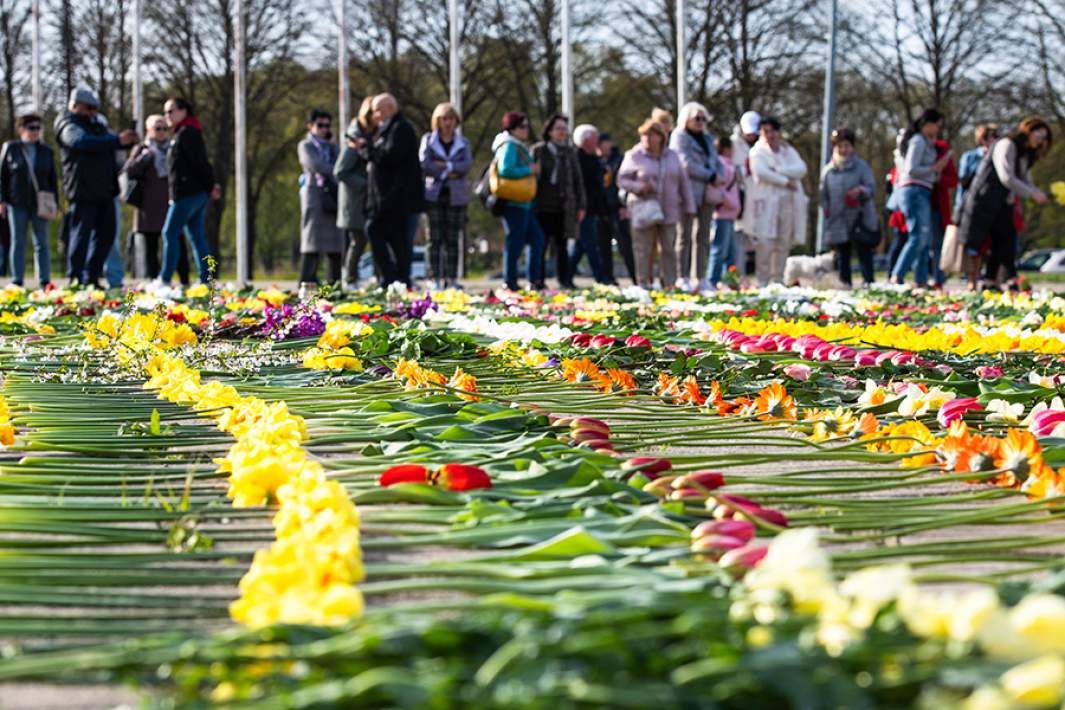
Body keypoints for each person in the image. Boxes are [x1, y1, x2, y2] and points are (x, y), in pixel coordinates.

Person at [54, 87, 138, 287]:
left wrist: (125, 141)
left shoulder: (95, 124)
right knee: (81, 235)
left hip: (105, 190)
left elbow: (108, 143)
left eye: (95, 108)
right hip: (83, 191)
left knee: (105, 236)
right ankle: (75, 276)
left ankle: (92, 276)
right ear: (75, 105)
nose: (93, 112)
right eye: (89, 108)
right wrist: (115, 140)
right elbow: (80, 142)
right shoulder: (68, 124)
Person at [959, 116, 1051, 290]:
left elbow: (1025, 178)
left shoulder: (1024, 154)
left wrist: (1038, 193)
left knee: (1005, 241)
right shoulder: (1006, 144)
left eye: (1044, 138)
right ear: (1028, 131)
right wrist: (1031, 193)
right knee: (980, 243)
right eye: (1039, 136)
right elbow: (1006, 176)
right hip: (984, 200)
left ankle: (992, 281)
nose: (1040, 141)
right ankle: (983, 281)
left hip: (1004, 203)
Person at [617, 118, 694, 289]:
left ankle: (669, 284)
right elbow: (621, 180)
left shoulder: (672, 156)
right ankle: (643, 284)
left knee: (668, 248)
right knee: (642, 249)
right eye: (643, 135)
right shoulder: (634, 155)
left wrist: (689, 206)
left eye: (650, 135)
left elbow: (683, 182)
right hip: (644, 209)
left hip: (669, 209)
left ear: (661, 137)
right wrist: (639, 186)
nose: (646, 139)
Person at [359, 93, 424, 288]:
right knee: (383, 235)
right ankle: (392, 278)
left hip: (397, 199)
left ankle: (398, 279)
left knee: (397, 241)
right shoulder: (385, 130)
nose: (375, 114)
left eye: (378, 110)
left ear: (390, 108)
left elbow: (390, 157)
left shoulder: (401, 129)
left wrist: (366, 149)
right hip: (385, 199)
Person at [156, 97, 220, 287]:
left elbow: (200, 162)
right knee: (196, 235)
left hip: (188, 193)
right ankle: (206, 279)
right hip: (192, 192)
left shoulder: (187, 133)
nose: (167, 115)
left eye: (171, 111)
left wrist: (210, 185)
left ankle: (165, 279)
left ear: (184, 111)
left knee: (169, 233)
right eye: (166, 111)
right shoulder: (183, 132)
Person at [121, 114, 189, 283]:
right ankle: (155, 280)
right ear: (149, 131)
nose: (162, 132)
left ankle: (184, 280)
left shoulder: (174, 147)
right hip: (148, 206)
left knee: (178, 242)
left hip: (170, 202)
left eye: (165, 128)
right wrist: (144, 157)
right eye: (157, 128)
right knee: (151, 247)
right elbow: (129, 170)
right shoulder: (143, 149)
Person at [889, 108, 952, 287]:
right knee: (918, 235)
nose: (937, 130)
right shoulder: (918, 141)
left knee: (924, 237)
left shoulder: (924, 141)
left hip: (921, 190)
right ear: (927, 124)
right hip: (914, 190)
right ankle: (898, 274)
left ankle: (920, 279)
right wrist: (934, 168)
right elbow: (911, 169)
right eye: (936, 126)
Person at [747, 116, 808, 285]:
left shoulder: (787, 151)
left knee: (783, 241)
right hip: (766, 204)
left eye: (772, 131)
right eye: (765, 131)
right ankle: (762, 281)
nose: (770, 135)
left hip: (787, 202)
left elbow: (801, 169)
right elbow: (761, 172)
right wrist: (785, 181)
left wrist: (779, 170)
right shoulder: (757, 151)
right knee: (765, 243)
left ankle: (778, 280)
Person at [0, 114, 57, 288]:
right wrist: (2, 200)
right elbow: (2, 177)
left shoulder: (46, 151)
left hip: (40, 202)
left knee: (42, 242)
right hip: (17, 202)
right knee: (18, 241)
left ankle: (44, 280)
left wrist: (55, 203)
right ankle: (17, 279)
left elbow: (52, 179)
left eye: (38, 128)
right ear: (22, 129)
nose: (35, 132)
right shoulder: (11, 149)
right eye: (31, 128)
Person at [419, 102, 472, 289]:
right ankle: (433, 278)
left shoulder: (462, 143)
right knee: (434, 237)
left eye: (451, 119)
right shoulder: (429, 140)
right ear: (437, 121)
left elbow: (466, 165)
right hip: (434, 194)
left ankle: (451, 279)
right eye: (444, 119)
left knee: (452, 238)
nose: (447, 123)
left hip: (456, 195)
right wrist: (448, 172)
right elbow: (425, 163)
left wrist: (445, 166)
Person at [492, 111, 544, 291]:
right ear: (512, 128)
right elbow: (506, 170)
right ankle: (510, 281)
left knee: (536, 239)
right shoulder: (509, 146)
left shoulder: (517, 145)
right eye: (522, 126)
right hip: (513, 202)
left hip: (524, 203)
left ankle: (533, 280)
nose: (526, 130)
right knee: (515, 243)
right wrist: (529, 170)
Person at [670, 102, 720, 292]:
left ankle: (700, 276)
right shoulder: (680, 136)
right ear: (686, 119)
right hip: (687, 192)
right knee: (684, 235)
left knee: (703, 236)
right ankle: (681, 275)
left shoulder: (707, 139)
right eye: (696, 118)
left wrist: (719, 174)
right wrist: (710, 175)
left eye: (703, 118)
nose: (700, 122)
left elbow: (715, 161)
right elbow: (684, 163)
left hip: (706, 193)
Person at [819, 127, 877, 287]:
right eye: (840, 146)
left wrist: (860, 191)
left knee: (863, 250)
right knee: (843, 253)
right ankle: (845, 283)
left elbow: (871, 188)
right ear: (834, 147)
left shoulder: (861, 167)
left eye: (847, 146)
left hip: (859, 217)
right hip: (838, 219)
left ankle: (868, 282)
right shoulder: (828, 171)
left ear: (852, 147)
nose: (844, 150)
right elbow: (823, 195)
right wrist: (828, 212)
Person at [532, 115, 585, 288]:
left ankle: (565, 279)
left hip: (564, 206)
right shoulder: (539, 151)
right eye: (558, 129)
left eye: (564, 129)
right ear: (549, 131)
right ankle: (538, 280)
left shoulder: (569, 152)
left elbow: (578, 180)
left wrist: (581, 205)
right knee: (541, 244)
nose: (562, 132)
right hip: (542, 206)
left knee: (562, 245)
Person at [297, 108, 343, 294]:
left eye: (327, 125)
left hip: (332, 195)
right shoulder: (306, 145)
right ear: (311, 126)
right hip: (314, 195)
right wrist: (335, 169)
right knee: (311, 242)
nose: (324, 129)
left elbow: (341, 162)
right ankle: (305, 284)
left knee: (335, 243)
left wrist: (334, 146)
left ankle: (334, 287)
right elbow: (314, 164)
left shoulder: (332, 147)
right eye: (320, 125)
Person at [335, 97, 373, 290]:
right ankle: (349, 279)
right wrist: (366, 184)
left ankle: (353, 277)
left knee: (363, 240)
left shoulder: (365, 137)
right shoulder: (354, 139)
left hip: (364, 201)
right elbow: (340, 171)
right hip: (354, 202)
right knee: (358, 241)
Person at [570, 123, 608, 284]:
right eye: (595, 138)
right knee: (590, 243)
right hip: (583, 208)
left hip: (593, 208)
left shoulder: (594, 159)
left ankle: (566, 274)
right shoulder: (576, 159)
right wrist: (580, 206)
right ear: (586, 140)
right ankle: (600, 277)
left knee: (581, 246)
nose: (597, 141)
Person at [597, 132, 636, 283]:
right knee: (603, 246)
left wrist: (624, 205)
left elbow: (624, 184)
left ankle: (635, 277)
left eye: (603, 143)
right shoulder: (597, 161)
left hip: (618, 209)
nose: (601, 147)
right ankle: (608, 279)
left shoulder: (620, 160)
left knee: (625, 245)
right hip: (601, 210)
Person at [706, 135, 740, 289]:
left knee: (731, 251)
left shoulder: (729, 165)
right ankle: (712, 280)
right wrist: (732, 203)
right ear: (727, 149)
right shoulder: (722, 165)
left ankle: (730, 280)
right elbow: (719, 189)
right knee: (719, 249)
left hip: (730, 214)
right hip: (722, 213)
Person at [730, 110, 760, 276]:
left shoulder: (760, 144)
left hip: (756, 195)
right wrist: (744, 170)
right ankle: (737, 274)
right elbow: (729, 167)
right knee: (738, 236)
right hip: (738, 195)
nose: (751, 137)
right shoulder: (733, 143)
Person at [955, 123, 999, 217]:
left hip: (992, 207)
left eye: (997, 136)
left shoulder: (1000, 158)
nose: (996, 139)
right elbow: (963, 183)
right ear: (982, 139)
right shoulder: (969, 157)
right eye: (992, 136)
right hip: (970, 206)